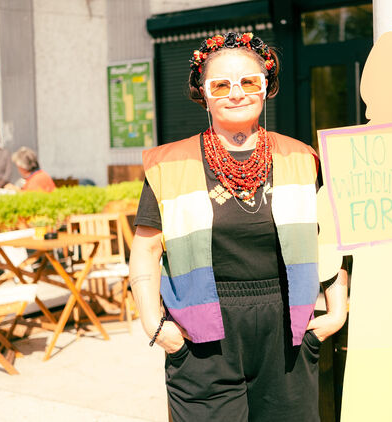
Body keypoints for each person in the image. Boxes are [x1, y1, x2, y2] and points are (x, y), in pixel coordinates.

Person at [130, 32, 349, 421]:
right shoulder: (169, 165)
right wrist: (154, 325)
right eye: (221, 85)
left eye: (249, 82)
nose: (236, 93)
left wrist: (336, 313)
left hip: (288, 331)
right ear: (203, 93)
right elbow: (146, 249)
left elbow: (328, 241)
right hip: (200, 338)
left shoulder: (301, 158)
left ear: (266, 88)